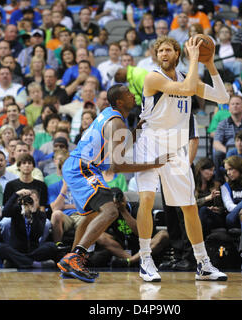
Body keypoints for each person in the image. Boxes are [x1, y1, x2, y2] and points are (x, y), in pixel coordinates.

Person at [56, 84, 175, 283]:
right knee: (111, 211)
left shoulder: (111, 115)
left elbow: (120, 145)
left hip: (81, 166)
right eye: (129, 94)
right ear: (120, 101)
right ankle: (75, 257)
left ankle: (70, 262)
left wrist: (135, 132)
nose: (133, 96)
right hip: (83, 168)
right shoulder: (116, 122)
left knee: (89, 216)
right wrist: (154, 164)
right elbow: (117, 166)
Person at [134, 35, 229, 283]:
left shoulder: (187, 78)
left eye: (169, 50)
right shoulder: (153, 77)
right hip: (149, 145)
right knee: (146, 199)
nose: (164, 54)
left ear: (177, 54)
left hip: (176, 149)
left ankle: (203, 264)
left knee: (189, 207)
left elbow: (223, 97)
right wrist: (195, 59)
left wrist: (209, 64)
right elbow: (188, 89)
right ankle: (146, 259)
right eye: (160, 50)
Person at [0, 188, 57, 269]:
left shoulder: (41, 215)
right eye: (28, 200)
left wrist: (34, 213)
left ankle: (17, 262)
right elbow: (5, 212)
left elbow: (38, 232)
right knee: (0, 247)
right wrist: (16, 194)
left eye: (34, 200)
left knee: (52, 246)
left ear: (38, 202)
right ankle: (34, 264)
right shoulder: (17, 211)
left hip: (34, 251)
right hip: (17, 250)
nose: (31, 203)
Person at [213, 94, 242, 171]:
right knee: (217, 154)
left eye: (237, 104)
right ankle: (218, 181)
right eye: (232, 104)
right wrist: (229, 151)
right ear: (229, 107)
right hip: (228, 151)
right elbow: (216, 143)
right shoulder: (222, 124)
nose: (235, 106)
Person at [194, 158, 225, 237]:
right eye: (210, 170)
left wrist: (216, 209)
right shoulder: (193, 186)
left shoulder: (215, 185)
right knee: (203, 212)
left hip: (214, 217)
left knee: (204, 210)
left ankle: (200, 241)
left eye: (213, 170)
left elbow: (222, 207)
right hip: (198, 218)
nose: (212, 173)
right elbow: (192, 204)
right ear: (201, 170)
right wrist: (208, 198)